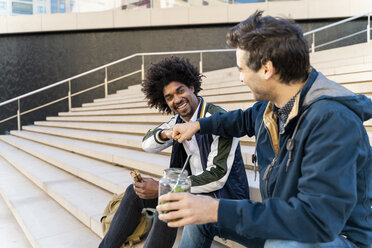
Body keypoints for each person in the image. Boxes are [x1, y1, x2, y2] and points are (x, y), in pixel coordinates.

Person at [156, 11, 372, 248]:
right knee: (199, 218)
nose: (240, 79)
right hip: (286, 220)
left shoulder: (333, 121)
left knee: (282, 246)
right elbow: (238, 121)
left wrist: (217, 208)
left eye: (241, 69)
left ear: (267, 69)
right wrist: (197, 125)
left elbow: (316, 220)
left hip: (338, 236)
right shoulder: (270, 109)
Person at [99, 56, 250, 248]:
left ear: (192, 87)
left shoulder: (219, 119)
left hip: (223, 198)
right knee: (134, 192)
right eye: (169, 97)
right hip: (193, 190)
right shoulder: (178, 121)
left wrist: (165, 188)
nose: (177, 100)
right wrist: (167, 133)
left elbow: (217, 176)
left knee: (169, 201)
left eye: (180, 91)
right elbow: (147, 143)